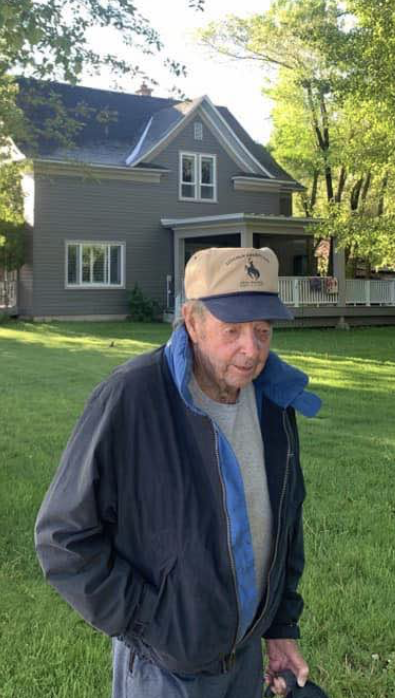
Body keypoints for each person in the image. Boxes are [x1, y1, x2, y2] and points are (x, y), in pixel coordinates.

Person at [35, 247, 322, 698]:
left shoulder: (273, 399)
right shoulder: (132, 398)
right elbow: (62, 537)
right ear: (192, 322)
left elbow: (286, 521)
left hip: (245, 659)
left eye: (262, 330)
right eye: (232, 330)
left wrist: (280, 626)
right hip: (164, 670)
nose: (251, 349)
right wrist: (151, 624)